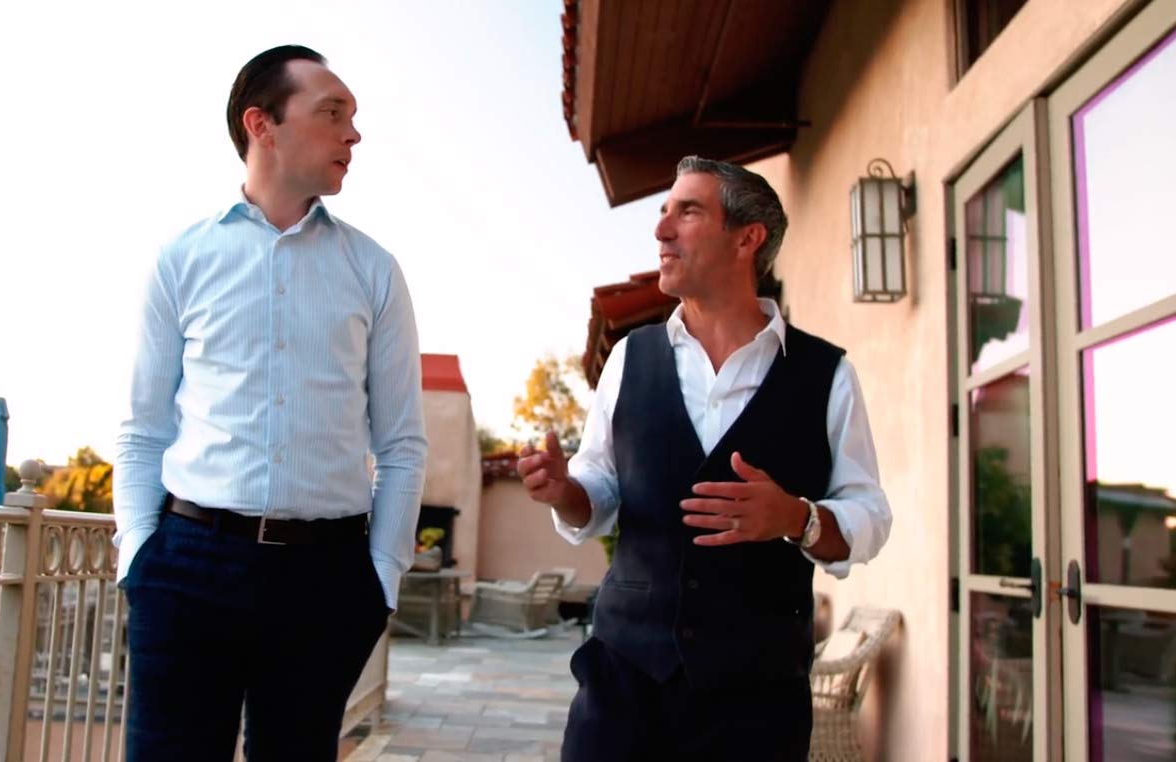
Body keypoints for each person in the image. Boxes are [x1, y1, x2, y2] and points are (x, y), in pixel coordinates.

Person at [517, 156, 893, 761]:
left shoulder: (827, 375)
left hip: (757, 708)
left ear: (747, 239)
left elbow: (870, 514)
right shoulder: (630, 359)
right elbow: (600, 487)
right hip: (622, 688)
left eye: (687, 212)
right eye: (664, 211)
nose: (661, 229)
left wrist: (797, 518)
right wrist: (566, 491)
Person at [113, 45, 427, 761]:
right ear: (262, 124)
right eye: (332, 113)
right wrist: (139, 558)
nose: (353, 134)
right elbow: (143, 429)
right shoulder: (182, 258)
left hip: (326, 579)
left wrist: (380, 577)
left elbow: (402, 444)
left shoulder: (374, 270)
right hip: (186, 568)